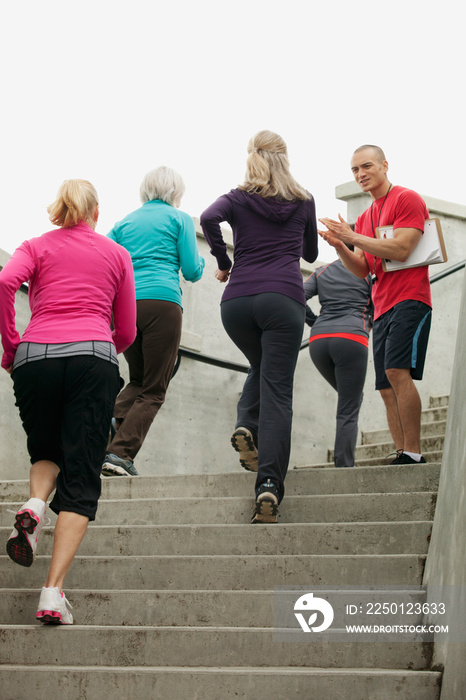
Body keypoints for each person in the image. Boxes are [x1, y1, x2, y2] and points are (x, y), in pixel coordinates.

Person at [0, 179, 136, 624]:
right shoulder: (116, 254)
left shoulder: (35, 245)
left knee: (46, 449)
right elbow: (128, 330)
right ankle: (52, 594)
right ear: (96, 211)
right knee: (80, 476)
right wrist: (98, 349)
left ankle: (34, 506)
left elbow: (5, 281)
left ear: (60, 208)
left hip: (34, 357)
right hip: (93, 358)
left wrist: (11, 345)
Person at [200, 130, 318, 523]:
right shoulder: (303, 200)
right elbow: (311, 253)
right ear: (285, 158)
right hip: (283, 299)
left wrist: (224, 260)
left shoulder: (237, 197)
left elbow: (208, 218)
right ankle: (268, 484)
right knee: (279, 393)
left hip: (237, 301)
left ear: (252, 156)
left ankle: (246, 423)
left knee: (262, 365)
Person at [319, 145, 432, 465]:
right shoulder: (366, 216)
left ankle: (413, 452)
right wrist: (341, 244)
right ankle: (402, 452)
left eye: (366, 166)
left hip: (411, 298)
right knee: (385, 386)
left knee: (397, 371)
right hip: (381, 306)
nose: (360, 174)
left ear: (384, 165)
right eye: (354, 170)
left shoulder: (407, 198)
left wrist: (353, 238)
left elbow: (403, 248)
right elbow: (363, 269)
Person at [102, 166, 205, 477]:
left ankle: (112, 417)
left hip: (126, 305)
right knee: (155, 387)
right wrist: (200, 263)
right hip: (163, 302)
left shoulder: (124, 223)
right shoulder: (180, 219)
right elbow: (191, 270)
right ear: (176, 192)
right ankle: (120, 454)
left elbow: (104, 261)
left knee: (138, 380)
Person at [304, 255, 372, 468]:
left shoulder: (322, 271)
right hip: (351, 339)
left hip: (318, 342)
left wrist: (314, 321)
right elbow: (382, 302)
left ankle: (343, 463)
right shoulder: (368, 272)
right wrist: (368, 321)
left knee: (350, 398)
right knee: (348, 407)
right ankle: (343, 468)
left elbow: (295, 296)